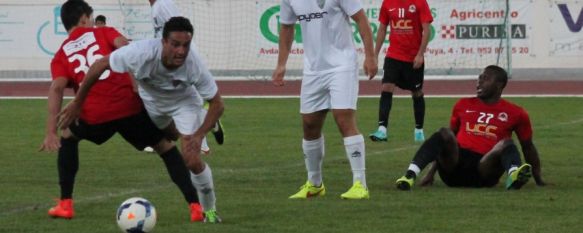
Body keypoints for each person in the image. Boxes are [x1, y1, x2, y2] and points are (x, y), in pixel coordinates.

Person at [39, 0, 204, 222]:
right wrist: (137, 85)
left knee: (68, 135)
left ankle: (65, 204)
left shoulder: (60, 55)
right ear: (84, 19)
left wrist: (50, 132)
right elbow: (127, 48)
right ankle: (195, 206)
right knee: (165, 148)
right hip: (129, 106)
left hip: (94, 115)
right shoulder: (104, 32)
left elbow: (57, 88)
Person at [272, 0, 378, 199]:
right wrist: (281, 64)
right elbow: (286, 28)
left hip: (342, 65)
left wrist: (370, 56)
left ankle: (360, 184)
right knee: (309, 124)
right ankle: (315, 184)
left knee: (343, 118)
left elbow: (362, 20)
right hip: (313, 69)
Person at [394, 65, 546, 190]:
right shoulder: (463, 104)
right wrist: (431, 173)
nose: (479, 82)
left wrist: (538, 178)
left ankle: (514, 175)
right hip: (454, 167)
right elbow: (443, 144)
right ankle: (410, 175)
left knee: (507, 143)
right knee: (444, 132)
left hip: (485, 168)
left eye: (485, 79)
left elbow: (528, 147)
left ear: (499, 85)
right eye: (479, 78)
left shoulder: (516, 113)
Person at [148, 0, 224, 148]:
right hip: (175, 60)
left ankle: (199, 144)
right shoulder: (156, 7)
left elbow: (182, 34)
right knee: (171, 98)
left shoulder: (163, 4)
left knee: (183, 101)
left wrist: (187, 60)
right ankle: (208, 127)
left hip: (182, 61)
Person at [369, 0, 433, 142]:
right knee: (386, 87)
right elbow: (382, 29)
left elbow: (427, 30)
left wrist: (420, 54)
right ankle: (382, 130)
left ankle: (418, 130)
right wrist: (374, 55)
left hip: (412, 58)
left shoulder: (420, 3)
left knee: (417, 93)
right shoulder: (387, 3)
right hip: (393, 56)